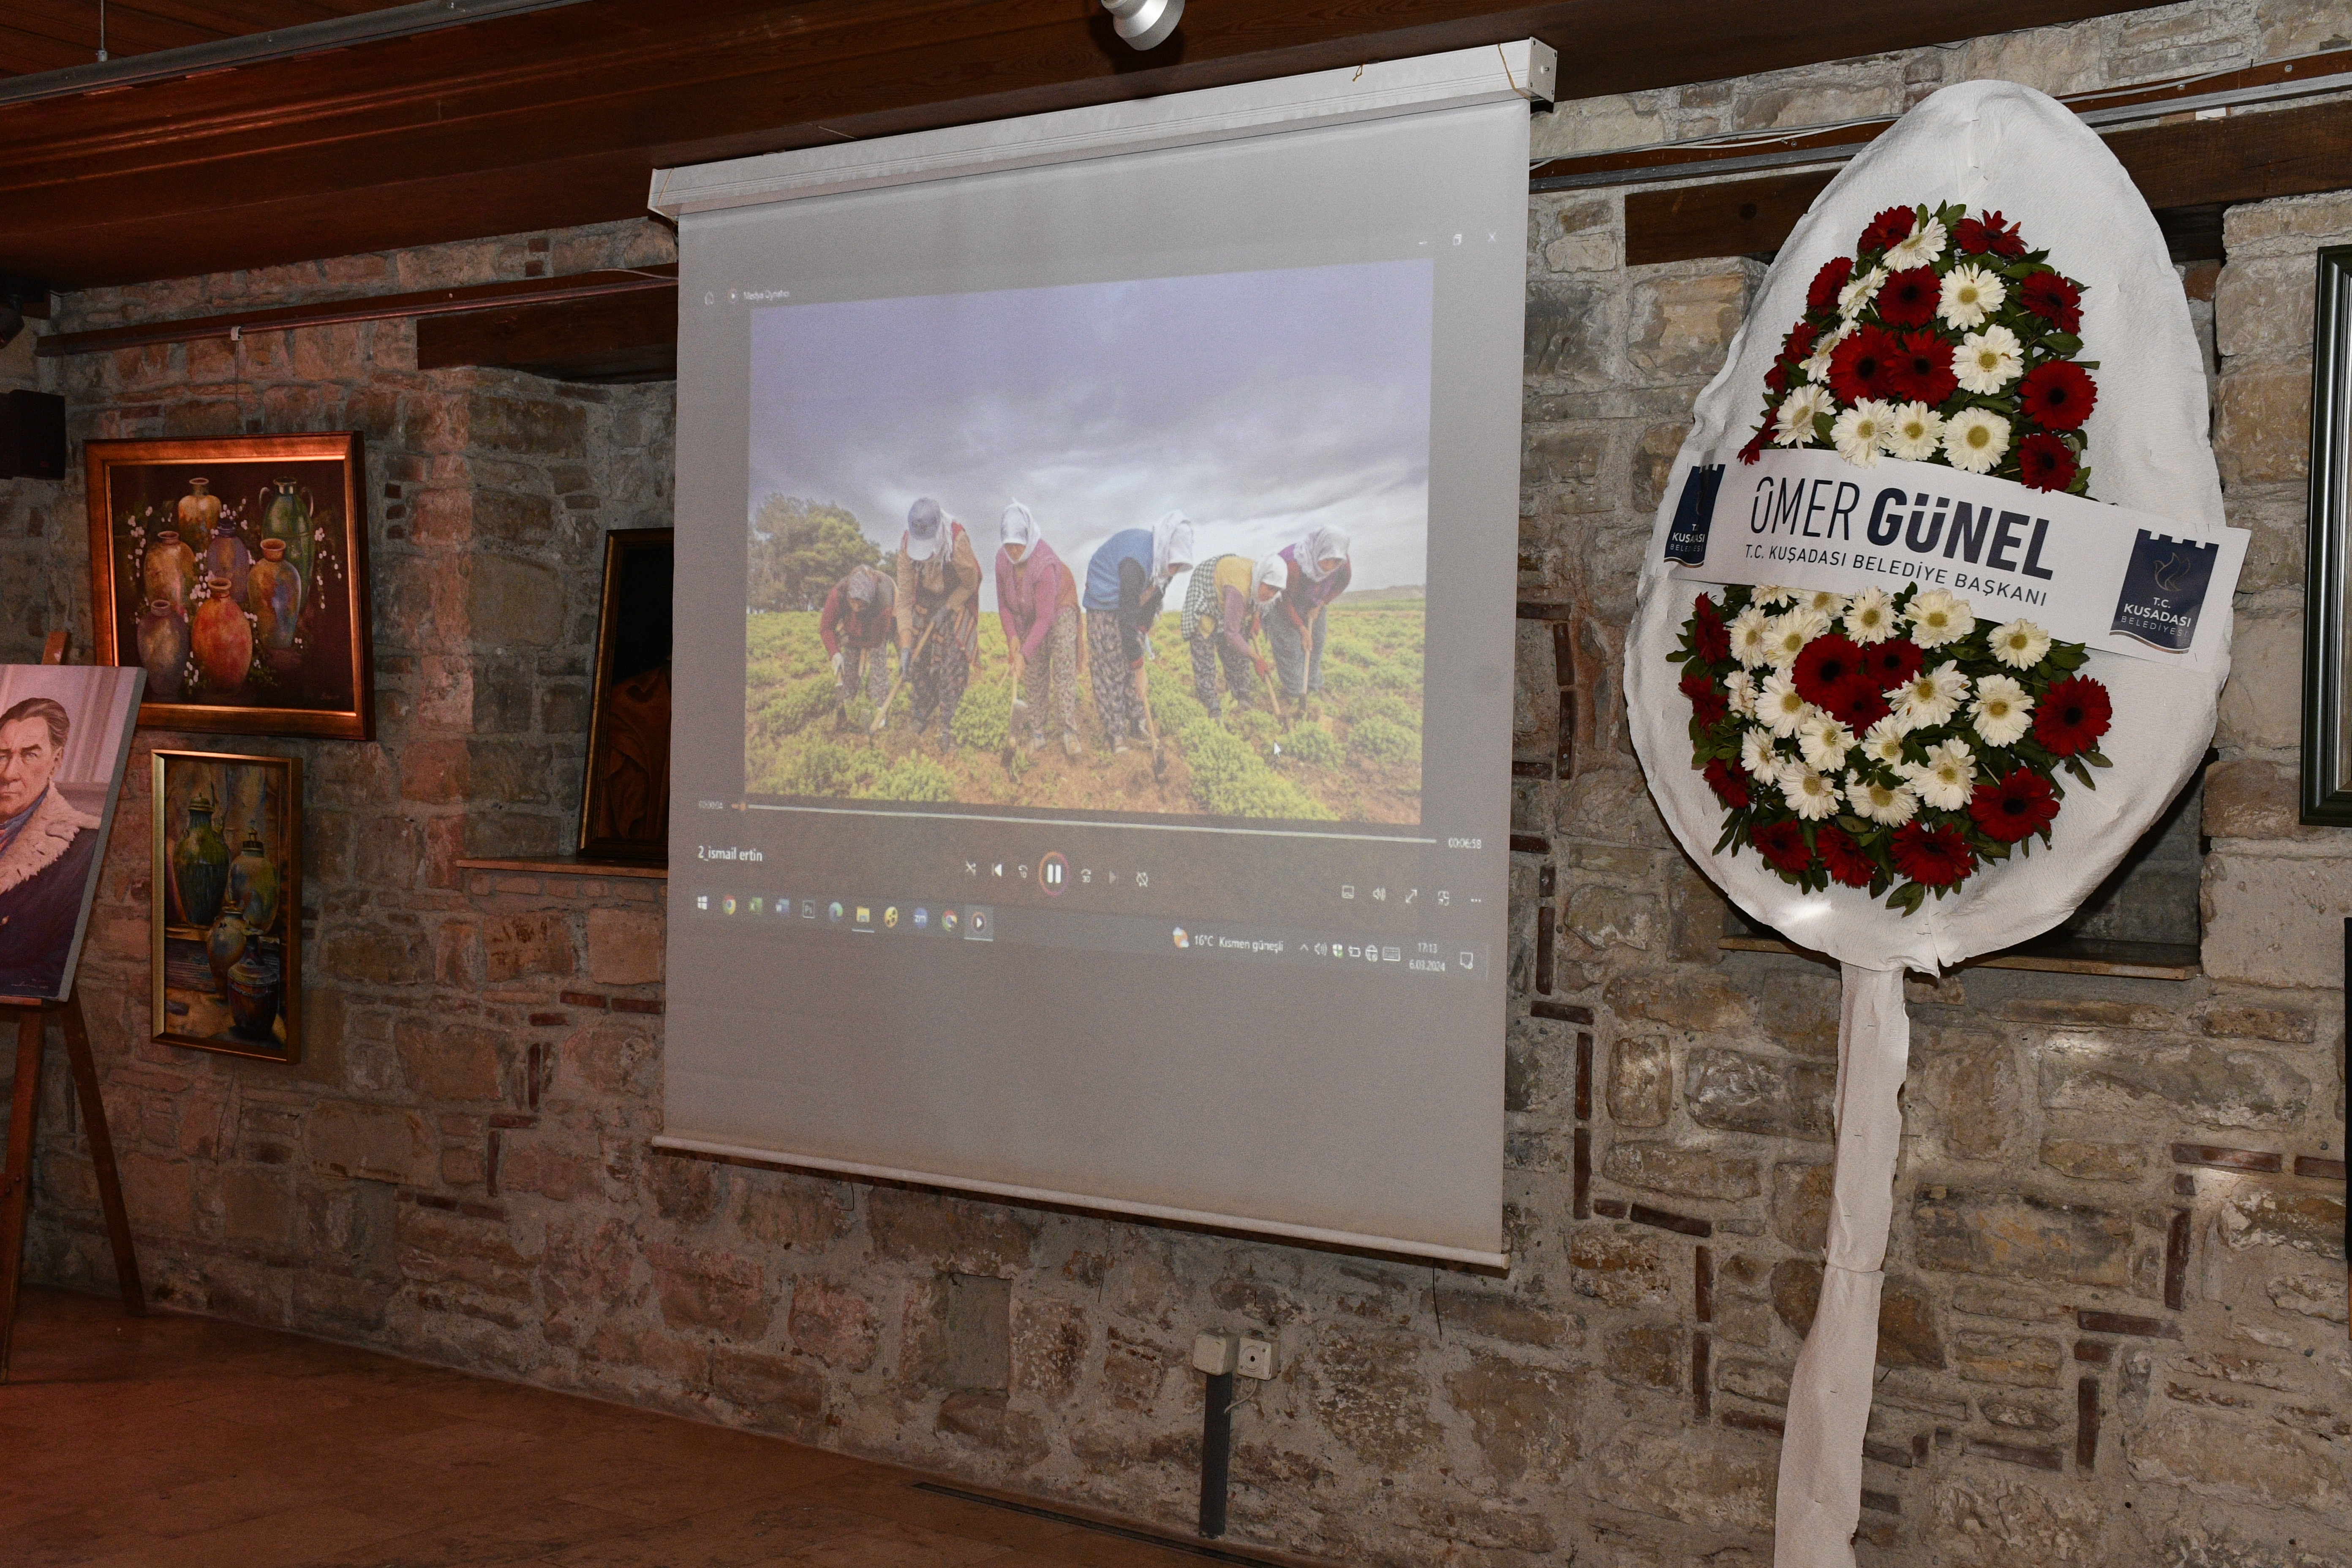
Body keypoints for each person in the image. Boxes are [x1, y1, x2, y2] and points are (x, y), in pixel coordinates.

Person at [0, 697, 104, 1000]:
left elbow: (52, 976)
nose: (9, 773)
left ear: (56, 762)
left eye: (30, 755)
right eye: (2, 755)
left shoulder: (82, 850)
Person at [1083, 512, 1194, 754]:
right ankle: (1116, 733)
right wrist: (1139, 668)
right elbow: (1126, 621)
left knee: (1132, 659)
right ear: (1164, 550)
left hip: (1130, 600)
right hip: (1104, 596)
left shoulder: (1164, 568)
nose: (1173, 570)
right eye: (1173, 563)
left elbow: (1152, 601)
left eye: (1179, 566)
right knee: (1110, 667)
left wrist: (1141, 634)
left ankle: (1136, 723)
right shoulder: (1136, 564)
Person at [994, 502, 1083, 757]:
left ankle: (1069, 731)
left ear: (1029, 538)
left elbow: (1045, 619)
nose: (1013, 551)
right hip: (1029, 612)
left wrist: (1024, 655)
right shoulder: (1002, 560)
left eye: (1018, 545)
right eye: (1008, 545)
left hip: (1059, 605)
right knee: (1034, 672)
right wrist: (1013, 638)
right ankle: (1037, 733)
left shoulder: (1044, 564)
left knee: (1062, 664)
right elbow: (1004, 607)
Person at [893, 499, 981, 750]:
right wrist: (906, 647)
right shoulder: (906, 547)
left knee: (953, 664)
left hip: (957, 596)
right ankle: (922, 711)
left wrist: (948, 608)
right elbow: (904, 601)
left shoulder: (957, 542)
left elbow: (970, 583)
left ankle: (950, 724)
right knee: (916, 660)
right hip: (925, 599)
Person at [1181, 552, 1283, 717]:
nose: (1272, 594)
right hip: (1207, 593)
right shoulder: (1238, 590)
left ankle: (1241, 697)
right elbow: (1232, 634)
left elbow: (1259, 600)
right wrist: (1257, 659)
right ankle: (1211, 705)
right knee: (1204, 654)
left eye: (1276, 590)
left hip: (1228, 595)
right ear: (1261, 579)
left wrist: (1256, 617)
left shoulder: (1259, 580)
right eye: (1270, 588)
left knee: (1236, 655)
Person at [1266, 525, 1352, 701]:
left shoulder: (1342, 563)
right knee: (1290, 649)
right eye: (1326, 560)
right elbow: (1284, 601)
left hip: (1314, 603)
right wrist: (1302, 629)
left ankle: (1313, 686)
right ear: (1318, 550)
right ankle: (1295, 693)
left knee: (1315, 644)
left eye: (1336, 562)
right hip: (1283, 604)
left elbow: (1343, 583)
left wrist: (1322, 603)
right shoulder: (1293, 564)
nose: (1330, 567)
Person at [817, 561, 896, 728]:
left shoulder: (883, 601)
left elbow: (878, 638)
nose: (856, 608)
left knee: (878, 667)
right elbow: (826, 628)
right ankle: (847, 705)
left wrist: (866, 644)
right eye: (853, 602)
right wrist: (835, 653)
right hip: (850, 629)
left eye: (862, 605)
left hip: (876, 632)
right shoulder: (838, 595)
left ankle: (880, 709)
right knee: (849, 667)